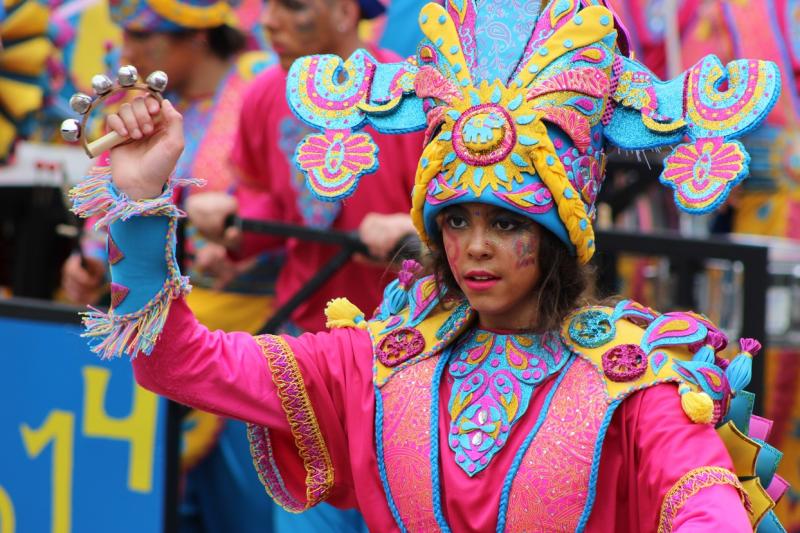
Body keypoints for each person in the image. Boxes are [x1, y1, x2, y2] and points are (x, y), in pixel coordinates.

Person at [70, 1, 788, 530]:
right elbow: (174, 362)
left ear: (562, 233)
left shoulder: (639, 378)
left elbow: (706, 507)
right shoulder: (376, 363)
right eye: (456, 221)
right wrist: (139, 202)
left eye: (508, 222)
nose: (474, 246)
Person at [62, 1, 285, 531]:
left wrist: (239, 240)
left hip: (253, 319)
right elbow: (109, 200)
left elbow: (293, 197)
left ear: (197, 38)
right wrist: (94, 264)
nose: (128, 52)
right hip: (152, 317)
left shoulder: (260, 86)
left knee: (241, 499)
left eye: (145, 36)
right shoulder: (141, 109)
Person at [185, 0, 424, 334]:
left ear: (344, 13)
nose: (267, 21)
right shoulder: (265, 92)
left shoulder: (411, 98)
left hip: (404, 330)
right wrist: (235, 224)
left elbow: (461, 222)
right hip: (302, 325)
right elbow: (268, 197)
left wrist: (418, 234)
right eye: (267, 6)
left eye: (293, 7)